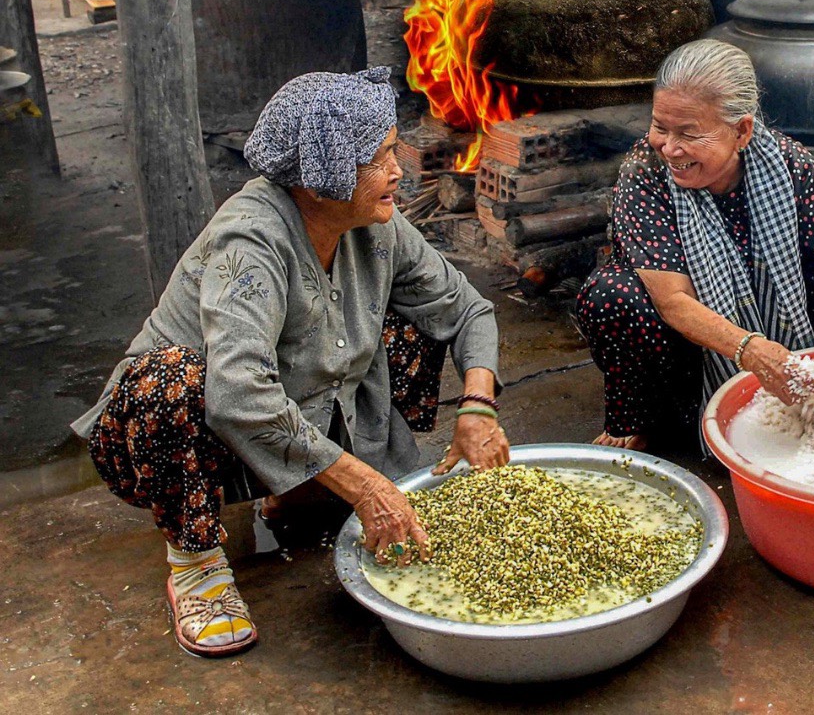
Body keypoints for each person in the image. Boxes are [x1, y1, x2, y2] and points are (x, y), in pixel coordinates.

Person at [72, 70, 509, 658]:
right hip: (193, 437)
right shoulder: (252, 242)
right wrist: (365, 486)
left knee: (413, 320)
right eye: (379, 159)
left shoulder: (377, 229)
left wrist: (478, 405)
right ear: (324, 176)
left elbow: (467, 310)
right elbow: (238, 395)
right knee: (169, 383)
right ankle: (196, 565)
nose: (399, 172)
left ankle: (302, 489)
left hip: (304, 406)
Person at [576, 39, 814, 451]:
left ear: (741, 130)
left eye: (689, 134)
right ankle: (655, 420)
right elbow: (673, 301)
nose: (670, 148)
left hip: (788, 322)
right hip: (687, 350)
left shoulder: (788, 164)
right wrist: (752, 352)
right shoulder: (645, 173)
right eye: (660, 127)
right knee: (613, 296)